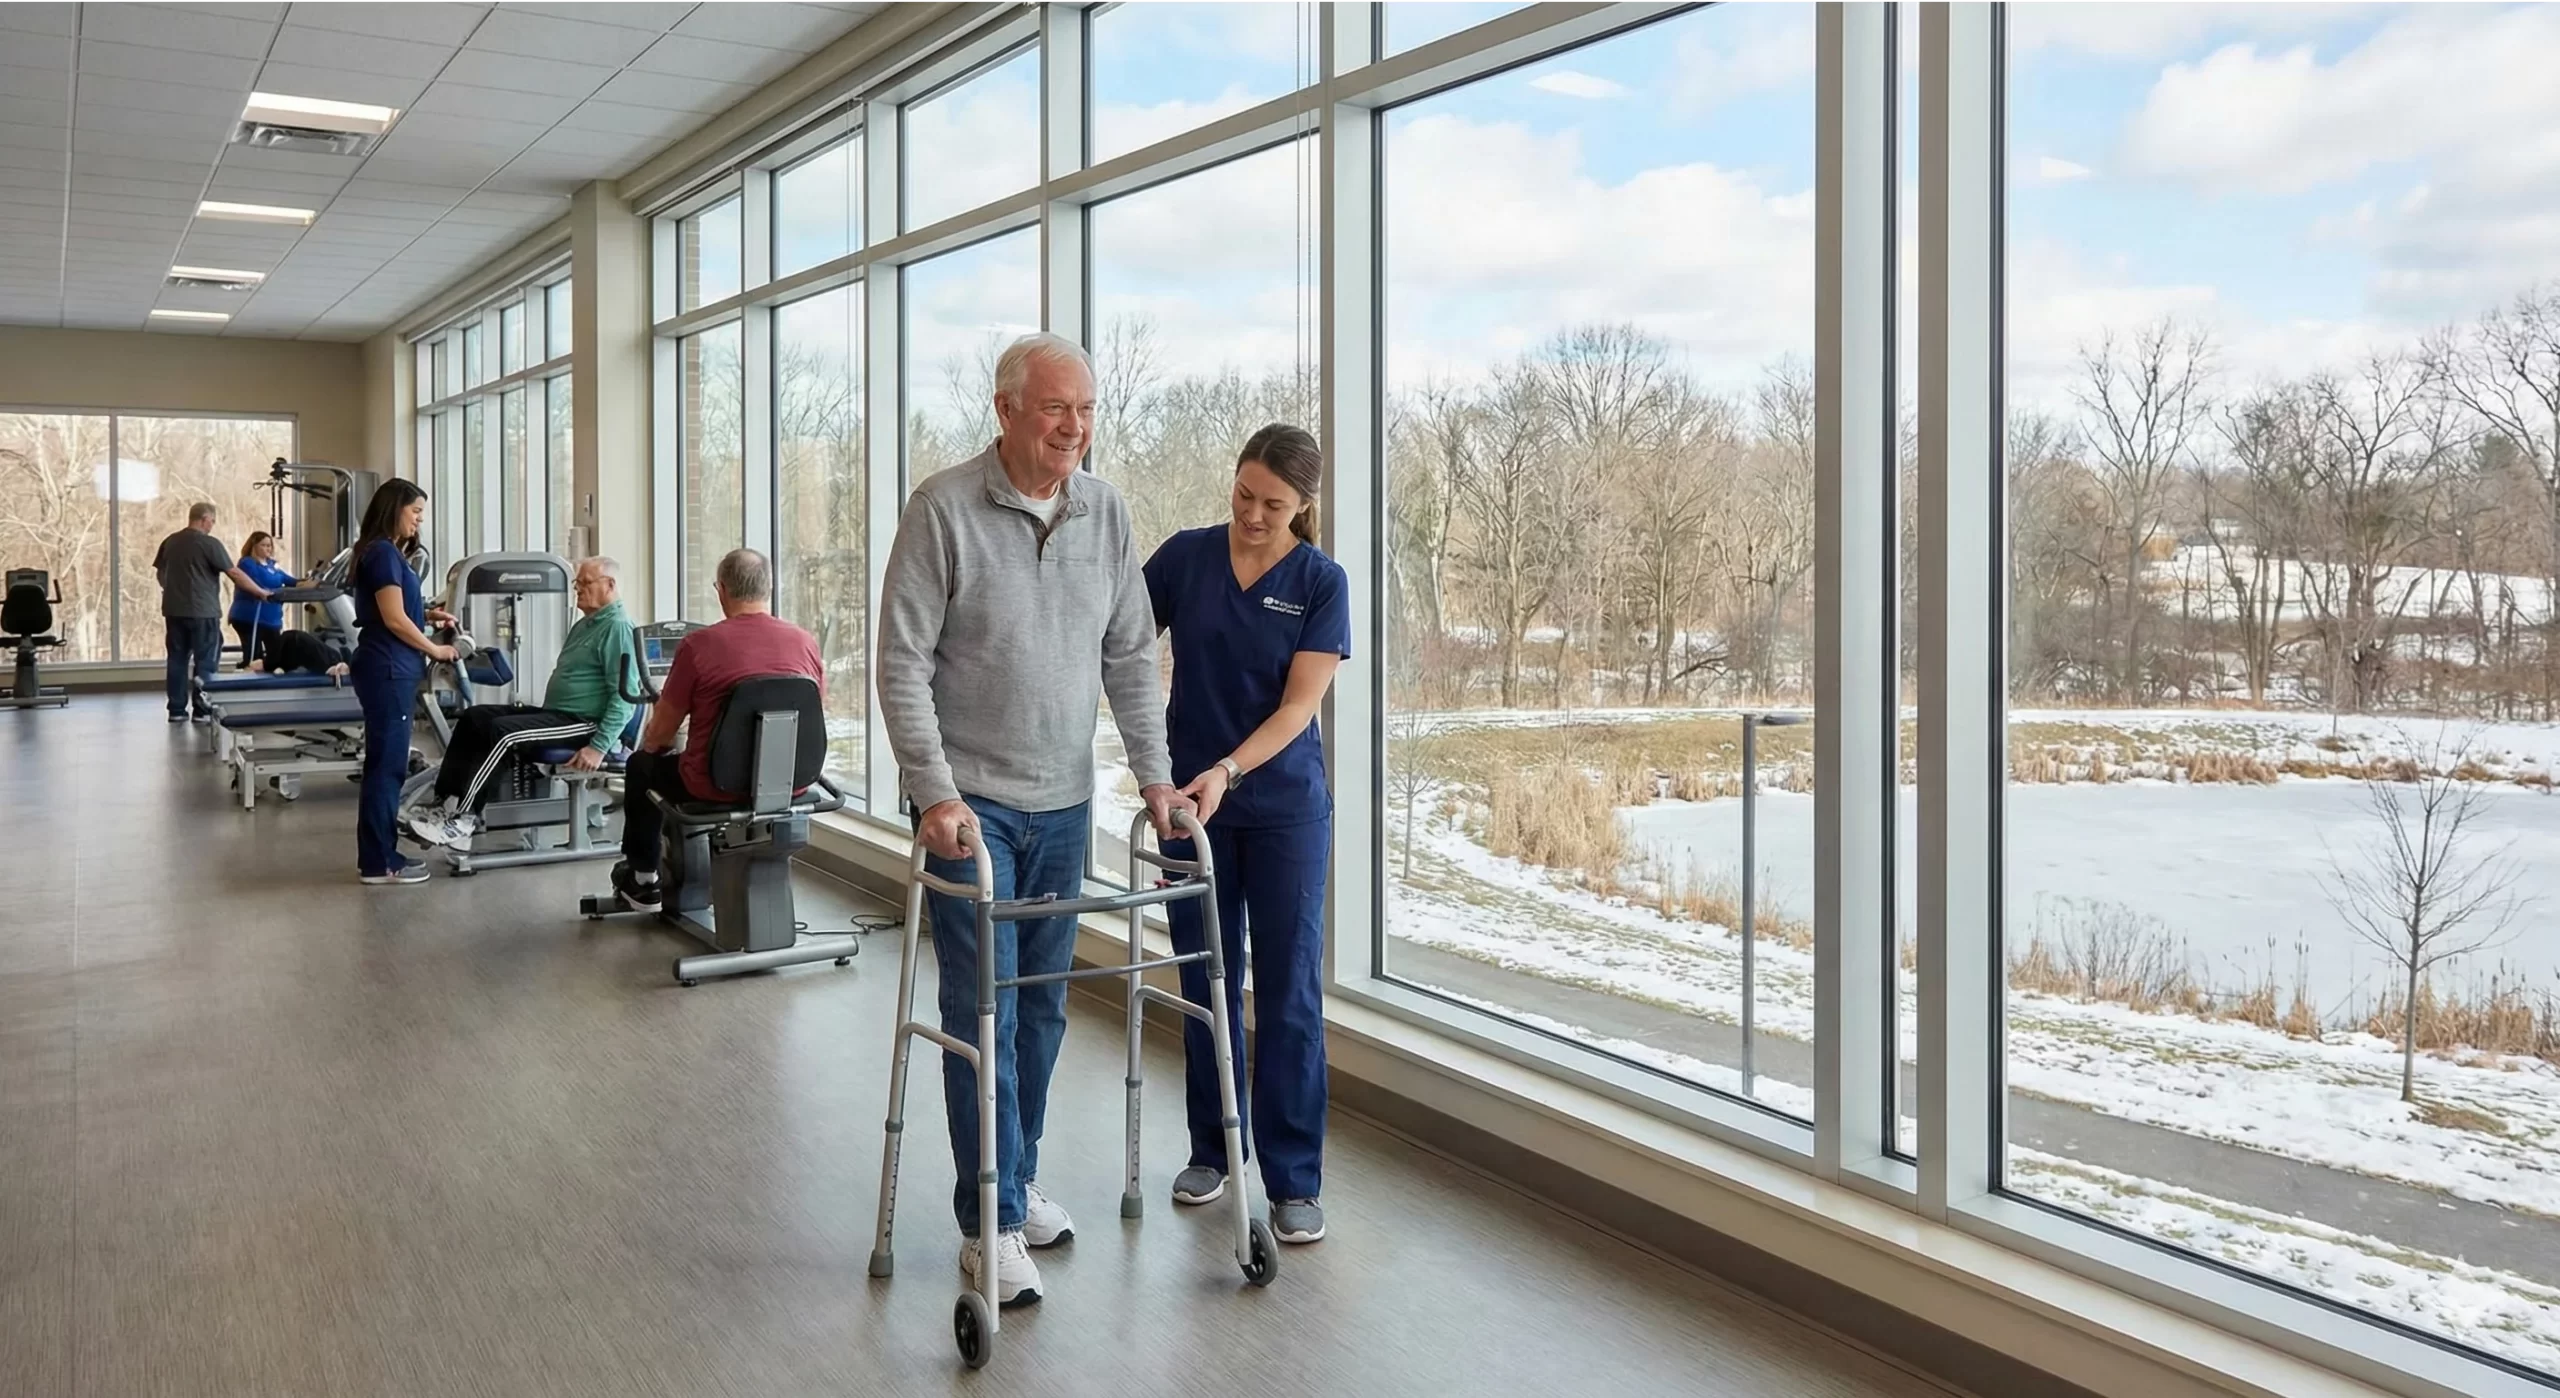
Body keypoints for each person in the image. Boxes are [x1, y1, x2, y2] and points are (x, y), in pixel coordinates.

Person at [876, 331, 1187, 1309]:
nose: (1074, 426)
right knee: (986, 1008)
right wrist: (932, 791)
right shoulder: (943, 509)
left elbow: (1132, 655)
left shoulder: (1107, 512)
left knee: (1046, 1007)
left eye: (1086, 409)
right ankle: (988, 1224)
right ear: (1006, 410)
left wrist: (1156, 778)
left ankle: (1015, 1178)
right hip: (972, 811)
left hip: (1064, 803)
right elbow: (900, 661)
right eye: (1056, 408)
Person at [1145, 424, 1349, 1248]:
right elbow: (1120, 640)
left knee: (1290, 989)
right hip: (1190, 809)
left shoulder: (1319, 581)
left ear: (1304, 508)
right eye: (1243, 495)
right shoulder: (1185, 558)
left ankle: (1294, 1178)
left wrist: (1228, 768)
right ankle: (1213, 1148)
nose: (1253, 515)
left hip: (1283, 809)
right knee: (1206, 979)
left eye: (1274, 505)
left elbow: (1299, 708)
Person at [609, 549, 821, 906]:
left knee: (641, 766)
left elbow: (659, 736)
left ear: (721, 589)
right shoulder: (806, 642)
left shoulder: (698, 645)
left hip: (710, 785)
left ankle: (643, 877)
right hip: (793, 782)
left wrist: (659, 748)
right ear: (768, 588)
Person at [405, 557, 637, 849]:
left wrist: (599, 746)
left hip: (584, 724)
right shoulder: (587, 625)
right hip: (559, 715)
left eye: (585, 583)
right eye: (576, 584)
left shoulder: (617, 627)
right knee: (475, 717)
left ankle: (463, 819)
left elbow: (625, 696)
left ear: (610, 585)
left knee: (504, 733)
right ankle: (445, 802)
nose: (578, 590)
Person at [349, 480, 458, 886]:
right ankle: (381, 862)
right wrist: (435, 649)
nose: (418, 520)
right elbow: (393, 620)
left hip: (388, 667)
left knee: (385, 764)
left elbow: (397, 611)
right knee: (386, 768)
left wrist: (430, 616)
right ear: (394, 509)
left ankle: (378, 856)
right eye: (415, 511)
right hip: (388, 668)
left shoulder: (385, 553)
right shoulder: (381, 553)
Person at [153, 502, 273, 723]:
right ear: (205, 518)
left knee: (177, 660)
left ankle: (177, 711)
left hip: (174, 611)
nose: (212, 526)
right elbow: (234, 573)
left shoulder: (170, 541)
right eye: (212, 522)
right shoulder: (209, 544)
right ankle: (202, 711)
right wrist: (261, 592)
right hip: (203, 612)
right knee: (206, 661)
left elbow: (161, 573)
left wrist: (172, 591)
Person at [227, 530, 296, 665]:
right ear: (254, 546)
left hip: (271, 620)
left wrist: (308, 582)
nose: (268, 548)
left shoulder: (272, 565)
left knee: (275, 655)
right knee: (254, 658)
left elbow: (290, 580)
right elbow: (259, 583)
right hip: (251, 618)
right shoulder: (247, 563)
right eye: (263, 545)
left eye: (269, 545)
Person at [244, 629, 348, 678]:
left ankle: (251, 668)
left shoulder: (330, 658)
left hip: (295, 641)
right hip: (295, 643)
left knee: (271, 663)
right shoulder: (330, 659)